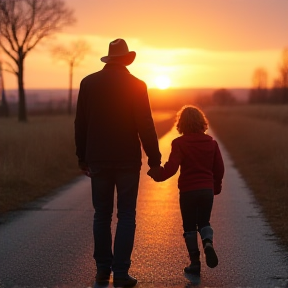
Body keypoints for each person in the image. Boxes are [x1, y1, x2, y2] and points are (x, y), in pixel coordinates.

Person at [74, 38, 162, 287]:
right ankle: (121, 274)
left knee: (101, 214)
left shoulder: (88, 83)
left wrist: (82, 157)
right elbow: (145, 124)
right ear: (126, 60)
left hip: (98, 158)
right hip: (126, 160)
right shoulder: (136, 85)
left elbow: (80, 123)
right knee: (126, 215)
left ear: (109, 58)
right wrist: (154, 161)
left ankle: (103, 270)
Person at [147, 105, 224, 277]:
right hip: (206, 190)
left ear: (181, 124)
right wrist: (216, 186)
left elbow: (172, 168)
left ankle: (195, 263)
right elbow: (219, 169)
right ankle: (207, 241)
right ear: (202, 122)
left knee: (189, 226)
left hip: (188, 191)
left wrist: (158, 174)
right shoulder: (211, 143)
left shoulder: (179, 143)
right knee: (204, 222)